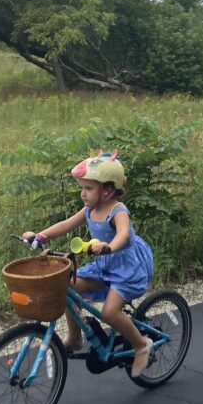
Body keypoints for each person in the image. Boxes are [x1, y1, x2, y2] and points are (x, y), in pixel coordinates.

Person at [23, 151, 154, 377]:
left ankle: (142, 345)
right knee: (64, 286)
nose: (83, 193)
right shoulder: (89, 210)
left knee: (110, 313)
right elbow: (66, 224)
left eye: (89, 188)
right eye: (82, 188)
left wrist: (109, 246)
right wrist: (40, 236)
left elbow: (123, 234)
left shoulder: (118, 210)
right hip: (103, 267)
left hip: (126, 269)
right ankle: (75, 338)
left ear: (108, 190)